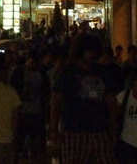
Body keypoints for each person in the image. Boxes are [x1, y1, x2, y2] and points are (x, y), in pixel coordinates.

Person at [50, 34, 118, 164]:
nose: (92, 55)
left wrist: (113, 126)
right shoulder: (67, 73)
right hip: (74, 130)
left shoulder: (102, 72)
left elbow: (111, 101)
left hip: (98, 129)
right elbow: (55, 101)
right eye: (89, 51)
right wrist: (54, 131)